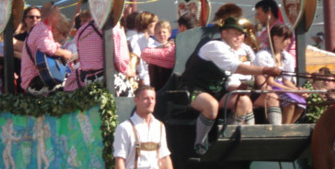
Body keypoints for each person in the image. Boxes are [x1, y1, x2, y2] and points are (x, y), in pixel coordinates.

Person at [180, 17, 281, 155]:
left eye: (241, 34)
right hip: (195, 88)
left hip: (219, 91)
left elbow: (250, 69)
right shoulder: (215, 46)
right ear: (224, 33)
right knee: (212, 106)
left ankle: (272, 138)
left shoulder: (243, 49)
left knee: (270, 98)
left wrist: (262, 86)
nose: (239, 37)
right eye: (235, 33)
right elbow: (235, 67)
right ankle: (200, 143)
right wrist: (265, 70)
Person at [64, 12, 135, 96]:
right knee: (131, 103)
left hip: (89, 82)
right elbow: (119, 60)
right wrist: (130, 71)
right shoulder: (113, 28)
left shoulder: (81, 30)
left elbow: (81, 59)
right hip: (109, 81)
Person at [254, 24, 306, 124]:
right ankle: (283, 130)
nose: (289, 42)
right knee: (290, 102)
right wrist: (293, 90)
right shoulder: (263, 55)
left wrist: (298, 90)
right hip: (269, 87)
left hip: (281, 87)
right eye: (286, 39)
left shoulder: (288, 57)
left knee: (302, 103)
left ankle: (287, 126)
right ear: (275, 38)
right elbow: (270, 81)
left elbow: (286, 80)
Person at [20, 4, 73, 95]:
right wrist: (65, 53)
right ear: (52, 17)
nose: (59, 19)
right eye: (58, 16)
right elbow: (47, 47)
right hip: (36, 81)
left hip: (40, 79)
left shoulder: (40, 29)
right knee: (72, 84)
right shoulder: (42, 29)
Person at [127, 11, 159, 86]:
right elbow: (138, 60)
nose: (157, 27)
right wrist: (142, 78)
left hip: (150, 79)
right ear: (149, 25)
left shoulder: (151, 40)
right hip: (141, 80)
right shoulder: (135, 39)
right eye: (156, 24)